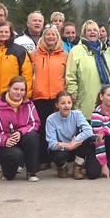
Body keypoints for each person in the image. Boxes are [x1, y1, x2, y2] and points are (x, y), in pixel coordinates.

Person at [0, 76, 40, 181]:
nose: (19, 92)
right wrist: (4, 141)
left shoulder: (29, 105)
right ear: (9, 88)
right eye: (15, 89)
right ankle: (6, 170)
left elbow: (35, 123)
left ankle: (32, 172)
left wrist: (21, 132)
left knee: (33, 137)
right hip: (3, 144)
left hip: (21, 139)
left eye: (22, 90)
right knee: (11, 172)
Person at [29, 24, 68, 170]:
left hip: (57, 98)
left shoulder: (65, 55)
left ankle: (57, 157)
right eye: (47, 34)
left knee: (57, 129)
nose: (50, 37)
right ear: (43, 37)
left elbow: (68, 76)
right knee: (41, 129)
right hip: (39, 97)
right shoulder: (34, 54)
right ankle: (42, 158)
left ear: (58, 37)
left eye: (54, 35)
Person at [66, 20, 110, 119]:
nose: (92, 32)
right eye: (89, 30)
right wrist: (72, 93)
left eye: (95, 30)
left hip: (106, 96)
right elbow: (71, 75)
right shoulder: (76, 51)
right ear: (84, 33)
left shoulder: (106, 50)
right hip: (85, 97)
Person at [45, 91, 97, 180]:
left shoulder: (77, 114)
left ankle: (77, 167)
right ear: (57, 105)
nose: (66, 106)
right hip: (62, 149)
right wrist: (67, 146)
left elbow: (89, 131)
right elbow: (51, 143)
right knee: (57, 154)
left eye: (69, 102)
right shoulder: (51, 119)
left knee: (87, 138)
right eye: (63, 103)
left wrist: (74, 142)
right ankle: (61, 167)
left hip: (75, 146)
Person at [0, 21, 33, 107]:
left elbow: (27, 75)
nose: (3, 34)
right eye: (0, 32)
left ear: (11, 33)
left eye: (6, 32)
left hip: (12, 98)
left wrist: (26, 95)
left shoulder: (19, 51)